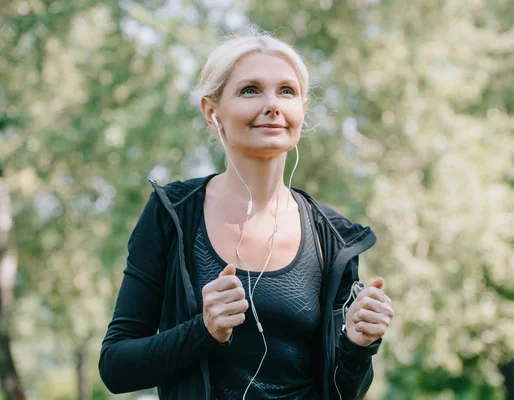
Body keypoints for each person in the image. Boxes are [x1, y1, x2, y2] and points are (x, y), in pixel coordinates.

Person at [99, 30, 394, 400]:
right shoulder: (172, 213)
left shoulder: (332, 236)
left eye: (286, 91)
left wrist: (358, 345)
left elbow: (341, 391)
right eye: (250, 90)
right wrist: (202, 330)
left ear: (302, 109)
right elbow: (115, 367)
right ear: (212, 111)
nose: (272, 104)